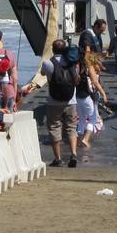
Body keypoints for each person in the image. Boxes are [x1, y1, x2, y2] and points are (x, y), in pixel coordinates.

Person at [40, 39, 79, 167]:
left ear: (53, 49)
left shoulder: (48, 63)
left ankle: (58, 159)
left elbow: (42, 73)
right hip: (71, 100)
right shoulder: (71, 62)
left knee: (55, 127)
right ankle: (73, 154)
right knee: (71, 127)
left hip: (54, 101)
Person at [75, 51, 106, 150]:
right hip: (88, 97)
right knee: (93, 119)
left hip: (78, 97)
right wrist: (103, 94)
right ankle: (86, 139)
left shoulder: (78, 67)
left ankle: (79, 140)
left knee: (82, 119)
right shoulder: (90, 68)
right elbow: (95, 82)